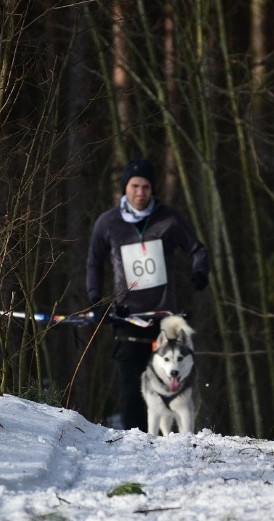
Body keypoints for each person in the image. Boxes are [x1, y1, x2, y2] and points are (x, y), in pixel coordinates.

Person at [86, 159, 210, 430]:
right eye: (134, 186)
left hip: (164, 322)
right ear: (125, 188)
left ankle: (175, 449)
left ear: (153, 189)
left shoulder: (169, 219)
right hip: (127, 321)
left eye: (146, 186)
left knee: (173, 390)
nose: (140, 192)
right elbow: (94, 262)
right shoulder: (107, 223)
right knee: (133, 394)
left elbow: (198, 250)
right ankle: (136, 450)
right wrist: (96, 300)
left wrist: (200, 272)